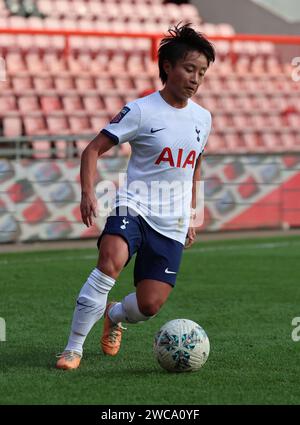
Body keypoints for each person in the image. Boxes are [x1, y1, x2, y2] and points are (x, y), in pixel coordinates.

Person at [56, 23, 215, 370]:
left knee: (150, 305)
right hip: (135, 203)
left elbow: (195, 167)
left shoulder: (203, 118)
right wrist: (87, 194)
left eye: (201, 72)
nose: (195, 78)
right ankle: (73, 348)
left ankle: (114, 316)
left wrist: (192, 214)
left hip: (171, 219)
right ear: (168, 67)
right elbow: (92, 150)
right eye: (190, 69)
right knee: (109, 261)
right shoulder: (142, 110)